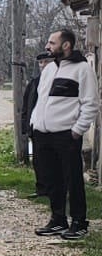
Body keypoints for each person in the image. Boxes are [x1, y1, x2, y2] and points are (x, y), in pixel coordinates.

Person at [31, 29, 99, 240]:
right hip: (43, 134)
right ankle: (58, 219)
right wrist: (34, 124)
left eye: (52, 42)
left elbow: (91, 103)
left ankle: (79, 222)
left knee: (73, 180)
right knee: (51, 179)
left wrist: (78, 130)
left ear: (66, 45)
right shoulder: (49, 69)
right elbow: (41, 100)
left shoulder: (82, 69)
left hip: (66, 135)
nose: (47, 46)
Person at [22, 52, 54, 200]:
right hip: (36, 127)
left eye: (46, 62)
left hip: (55, 127)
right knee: (38, 160)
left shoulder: (58, 81)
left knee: (54, 160)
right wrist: (26, 126)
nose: (43, 65)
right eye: (41, 63)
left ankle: (56, 189)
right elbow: (26, 106)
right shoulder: (34, 82)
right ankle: (42, 188)